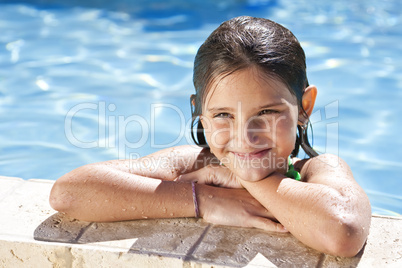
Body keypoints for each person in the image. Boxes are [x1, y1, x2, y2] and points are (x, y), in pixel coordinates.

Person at [50, 16, 371, 257]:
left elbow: (343, 232)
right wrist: (206, 199)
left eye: (267, 113)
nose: (245, 138)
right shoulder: (195, 161)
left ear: (304, 107)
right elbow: (70, 194)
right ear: (199, 111)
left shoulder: (316, 171)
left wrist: (252, 182)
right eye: (223, 115)